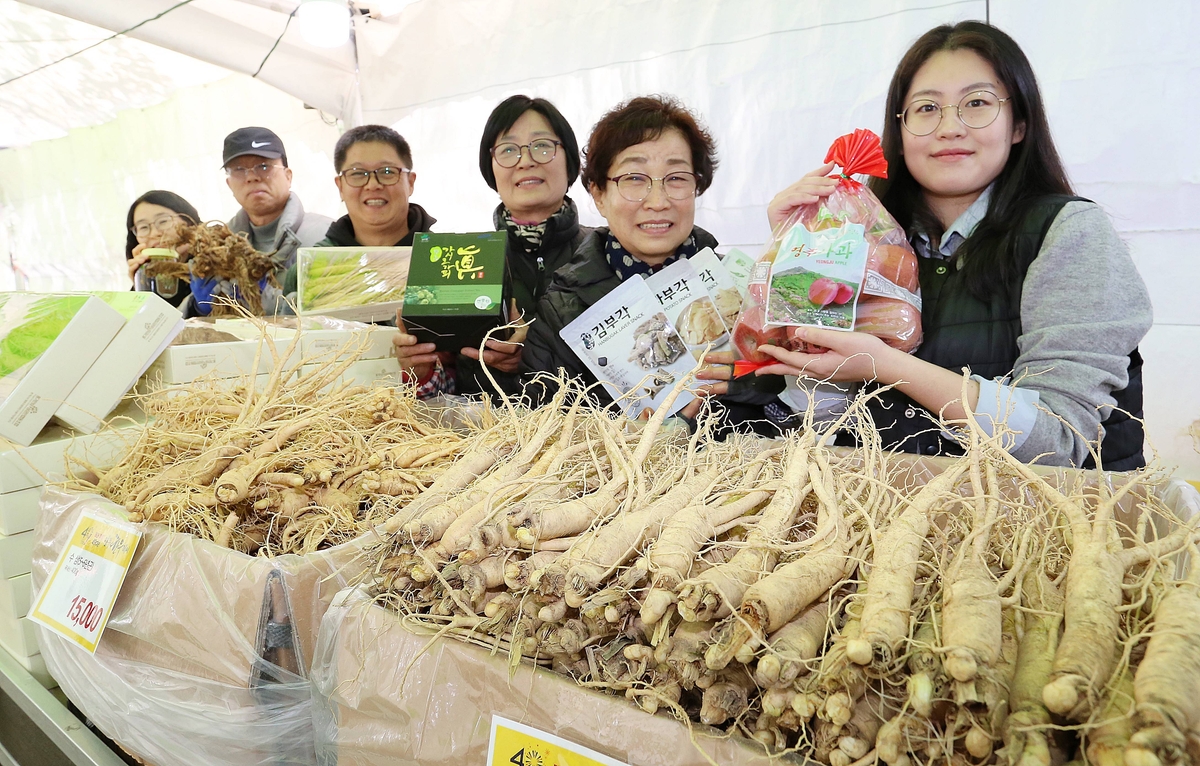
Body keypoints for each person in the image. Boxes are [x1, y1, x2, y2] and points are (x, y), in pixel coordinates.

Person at [743, 21, 1151, 469]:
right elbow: (809, 421)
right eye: (926, 108)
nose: (950, 127)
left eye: (977, 103)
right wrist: (790, 259)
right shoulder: (862, 239)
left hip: (1037, 528)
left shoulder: (1069, 232)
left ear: (1019, 124)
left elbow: (1060, 441)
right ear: (898, 131)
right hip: (882, 520)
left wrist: (888, 367)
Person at [515, 95, 772, 431]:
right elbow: (538, 422)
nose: (657, 201)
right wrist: (621, 433)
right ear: (598, 194)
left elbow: (794, 411)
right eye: (634, 178)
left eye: (676, 178)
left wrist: (751, 381)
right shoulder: (562, 310)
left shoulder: (744, 289)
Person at [393, 95, 589, 398]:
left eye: (542, 146)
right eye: (508, 150)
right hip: (485, 436)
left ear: (570, 162)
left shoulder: (604, 251)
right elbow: (447, 391)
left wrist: (531, 358)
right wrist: (423, 370)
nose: (526, 160)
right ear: (492, 170)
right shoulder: (464, 257)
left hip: (594, 436)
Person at [222, 126, 332, 280]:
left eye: (264, 167)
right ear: (229, 184)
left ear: (288, 176)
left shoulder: (326, 237)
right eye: (239, 170)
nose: (252, 177)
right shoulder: (220, 246)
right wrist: (197, 304)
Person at [124, 190, 200, 308]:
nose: (155, 233)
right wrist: (140, 286)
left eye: (163, 221)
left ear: (190, 222)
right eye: (143, 227)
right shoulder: (146, 279)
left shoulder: (219, 260)